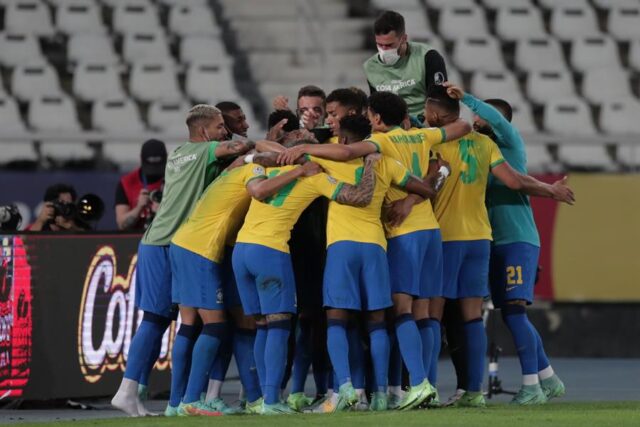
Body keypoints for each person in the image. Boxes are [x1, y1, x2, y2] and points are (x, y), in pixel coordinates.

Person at [276, 92, 469, 410]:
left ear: (376, 120)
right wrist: (428, 183)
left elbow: (345, 151)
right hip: (407, 237)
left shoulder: (364, 150)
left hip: (376, 239)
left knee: (341, 318)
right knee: (402, 316)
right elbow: (452, 143)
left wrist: (302, 147)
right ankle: (394, 390)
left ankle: (350, 390)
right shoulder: (415, 139)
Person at [425, 86, 574, 408]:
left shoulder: (508, 144)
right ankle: (547, 376)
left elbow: (518, 179)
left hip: (515, 238)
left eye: (481, 117)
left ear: (497, 122)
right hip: (490, 241)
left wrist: (465, 99)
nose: (475, 120)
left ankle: (532, 385)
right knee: (507, 313)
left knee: (515, 313)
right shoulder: (478, 149)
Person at [111, 105, 254, 417]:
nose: (224, 132)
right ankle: (128, 390)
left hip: (162, 240)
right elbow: (241, 146)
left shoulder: (179, 153)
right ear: (204, 132)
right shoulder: (205, 152)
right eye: (219, 127)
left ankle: (139, 393)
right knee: (156, 319)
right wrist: (253, 145)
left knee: (173, 320)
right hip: (165, 243)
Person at [166, 153, 324, 416]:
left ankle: (175, 403)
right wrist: (300, 170)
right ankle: (192, 399)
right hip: (201, 249)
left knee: (190, 323)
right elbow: (259, 190)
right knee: (215, 325)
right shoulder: (254, 170)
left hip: (184, 242)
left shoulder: (230, 170)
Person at [231, 147, 382, 415]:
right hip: (270, 251)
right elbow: (359, 196)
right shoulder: (315, 175)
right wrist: (370, 164)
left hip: (241, 250)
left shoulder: (270, 169)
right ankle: (271, 401)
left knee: (262, 326)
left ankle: (262, 399)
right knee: (279, 327)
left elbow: (261, 150)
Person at [363, 10, 448, 120]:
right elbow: (376, 106)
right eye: (379, 44)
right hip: (390, 127)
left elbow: (438, 101)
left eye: (389, 45)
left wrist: (415, 123)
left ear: (403, 39)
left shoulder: (428, 57)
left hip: (426, 124)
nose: (383, 50)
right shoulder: (370, 67)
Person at [114, 139, 167, 231]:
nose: (154, 171)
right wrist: (139, 208)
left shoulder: (176, 180)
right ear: (141, 160)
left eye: (157, 166)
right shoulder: (127, 183)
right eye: (151, 166)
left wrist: (163, 213)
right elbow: (121, 225)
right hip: (134, 239)